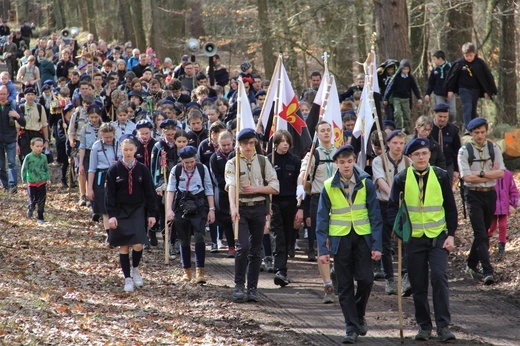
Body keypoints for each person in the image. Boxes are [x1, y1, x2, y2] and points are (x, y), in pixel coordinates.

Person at [387, 138, 457, 342]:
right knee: (418, 284)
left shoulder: (440, 176)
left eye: (424, 153)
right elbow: (392, 208)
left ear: (429, 155)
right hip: (413, 239)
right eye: (417, 154)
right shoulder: (401, 178)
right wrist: (399, 230)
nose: (421, 157)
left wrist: (451, 234)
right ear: (410, 157)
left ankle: (443, 326)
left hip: (438, 237)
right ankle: (424, 326)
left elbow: (450, 208)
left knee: (439, 277)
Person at [316, 145, 382, 344]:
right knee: (344, 285)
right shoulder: (328, 186)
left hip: (362, 237)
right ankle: (351, 327)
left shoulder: (366, 182)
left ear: (355, 161)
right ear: (336, 163)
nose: (346, 165)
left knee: (366, 279)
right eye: (342, 162)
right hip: (340, 239)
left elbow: (375, 215)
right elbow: (321, 219)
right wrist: (323, 249)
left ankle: (358, 313)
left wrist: (377, 245)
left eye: (349, 161)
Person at [225, 128, 279, 303]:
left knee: (256, 250)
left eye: (251, 143)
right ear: (238, 144)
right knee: (243, 246)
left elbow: (275, 187)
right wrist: (233, 207)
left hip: (258, 208)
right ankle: (239, 285)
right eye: (244, 143)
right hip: (241, 208)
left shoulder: (263, 162)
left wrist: (257, 189)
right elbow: (231, 185)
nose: (248, 147)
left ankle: (253, 288)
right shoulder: (233, 163)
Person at [106, 136, 157, 292]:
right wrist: (112, 215)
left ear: (136, 150)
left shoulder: (142, 169)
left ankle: (135, 268)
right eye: (125, 150)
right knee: (123, 245)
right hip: (120, 211)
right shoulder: (114, 170)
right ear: (121, 150)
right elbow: (110, 195)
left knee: (138, 243)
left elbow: (150, 192)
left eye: (131, 150)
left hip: (137, 209)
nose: (128, 153)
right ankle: (127, 277)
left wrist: (152, 213)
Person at [458, 117, 505, 285]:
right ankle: (487, 271)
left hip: (490, 194)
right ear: (471, 133)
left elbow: (501, 172)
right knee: (480, 232)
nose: (480, 135)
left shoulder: (493, 148)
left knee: (483, 231)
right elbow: (466, 177)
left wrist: (481, 175)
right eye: (476, 133)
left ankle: (471, 264)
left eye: (482, 132)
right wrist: (487, 174)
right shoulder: (464, 151)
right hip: (472, 195)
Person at [296, 120, 337, 303]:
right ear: (317, 134)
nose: (326, 133)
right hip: (318, 200)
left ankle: (337, 272)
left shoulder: (340, 154)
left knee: (339, 241)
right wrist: (300, 185)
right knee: (322, 244)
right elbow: (303, 175)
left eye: (329, 130)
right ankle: (327, 285)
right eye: (323, 131)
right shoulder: (313, 155)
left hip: (339, 201)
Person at [165, 146, 215, 284]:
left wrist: (211, 209)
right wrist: (169, 210)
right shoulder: (176, 170)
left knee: (199, 235)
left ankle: (200, 271)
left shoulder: (202, 169)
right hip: (182, 205)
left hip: (199, 204)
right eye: (186, 162)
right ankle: (186, 270)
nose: (189, 165)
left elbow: (209, 189)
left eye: (191, 161)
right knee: (184, 238)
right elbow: (170, 190)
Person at [371, 129, 412, 296]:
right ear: (387, 143)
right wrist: (392, 195)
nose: (398, 146)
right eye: (395, 143)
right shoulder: (379, 161)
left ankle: (405, 276)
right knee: (386, 243)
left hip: (404, 207)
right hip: (384, 204)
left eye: (401, 143)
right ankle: (389, 278)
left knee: (406, 241)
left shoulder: (409, 162)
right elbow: (380, 180)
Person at [267, 130, 301, 287]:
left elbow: (299, 184)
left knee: (287, 236)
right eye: (281, 141)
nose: (285, 144)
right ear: (275, 144)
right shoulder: (268, 160)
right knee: (277, 235)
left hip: (290, 203)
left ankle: (283, 269)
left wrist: (301, 207)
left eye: (287, 141)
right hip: (274, 202)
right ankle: (279, 270)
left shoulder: (295, 161)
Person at [445, 42, 497, 130]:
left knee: (473, 109)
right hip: (464, 89)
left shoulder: (479, 63)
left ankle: (474, 128)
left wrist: (487, 91)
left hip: (475, 90)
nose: (468, 58)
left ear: (475, 53)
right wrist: (450, 89)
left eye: (470, 55)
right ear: (463, 54)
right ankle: (467, 128)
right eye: (466, 56)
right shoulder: (459, 63)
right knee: (467, 106)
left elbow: (486, 77)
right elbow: (452, 77)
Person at [87, 122, 118, 240]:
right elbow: (92, 168)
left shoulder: (119, 144)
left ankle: (117, 232)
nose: (108, 139)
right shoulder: (96, 146)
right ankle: (109, 235)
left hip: (116, 175)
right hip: (102, 176)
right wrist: (90, 188)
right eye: (106, 137)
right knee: (105, 207)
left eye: (110, 137)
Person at [210, 131, 236, 258]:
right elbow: (215, 177)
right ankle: (231, 246)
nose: (226, 147)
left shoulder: (237, 155)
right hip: (222, 193)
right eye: (223, 145)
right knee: (226, 222)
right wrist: (227, 187)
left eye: (228, 144)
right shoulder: (214, 158)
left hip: (238, 193)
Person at [382, 59, 422, 133]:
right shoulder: (397, 77)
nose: (405, 71)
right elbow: (390, 88)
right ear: (400, 69)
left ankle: (406, 129)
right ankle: (398, 128)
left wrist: (419, 98)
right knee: (397, 113)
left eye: (407, 69)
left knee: (406, 114)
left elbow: (415, 88)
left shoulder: (410, 78)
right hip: (396, 98)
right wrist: (385, 98)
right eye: (404, 69)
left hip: (406, 99)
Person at [488, 169, 518, 258]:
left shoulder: (507, 174)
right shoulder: (490, 173)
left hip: (504, 206)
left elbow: (513, 190)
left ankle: (502, 248)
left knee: (503, 225)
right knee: (491, 227)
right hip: (492, 206)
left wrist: (513, 204)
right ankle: (484, 244)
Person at [0, 85, 24, 193]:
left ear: (8, 94)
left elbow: (23, 122)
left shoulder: (13, 105)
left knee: (12, 163)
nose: (2, 96)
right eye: (1, 94)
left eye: (4, 94)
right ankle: (5, 185)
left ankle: (13, 185)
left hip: (10, 138)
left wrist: (17, 116)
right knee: (0, 165)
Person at [21, 137, 51, 222]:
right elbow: (24, 169)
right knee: (33, 200)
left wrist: (48, 178)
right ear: (32, 147)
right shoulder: (28, 157)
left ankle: (40, 217)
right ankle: (31, 208)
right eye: (37, 146)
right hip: (31, 182)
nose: (39, 148)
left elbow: (46, 169)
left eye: (41, 146)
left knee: (41, 200)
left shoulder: (44, 157)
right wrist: (24, 181)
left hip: (41, 182)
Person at [430, 103, 461, 184]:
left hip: (448, 165)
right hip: (431, 165)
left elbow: (457, 151)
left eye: (445, 117)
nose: (443, 119)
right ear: (434, 114)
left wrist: (456, 170)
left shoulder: (453, 129)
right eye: (440, 116)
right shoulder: (428, 128)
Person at [17, 87, 49, 162]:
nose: (30, 97)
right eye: (28, 94)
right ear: (25, 96)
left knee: (38, 159)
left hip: (37, 134)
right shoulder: (21, 108)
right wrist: (16, 143)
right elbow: (17, 127)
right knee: (25, 158)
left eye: (32, 94)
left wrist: (46, 140)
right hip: (25, 135)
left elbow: (44, 125)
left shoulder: (40, 108)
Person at [424, 50, 455, 122]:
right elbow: (431, 83)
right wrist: (427, 94)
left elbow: (454, 80)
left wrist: (453, 90)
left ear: (440, 59)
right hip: (439, 94)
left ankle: (450, 125)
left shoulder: (450, 67)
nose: (434, 61)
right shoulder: (435, 70)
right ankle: (441, 125)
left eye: (434, 59)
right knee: (441, 111)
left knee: (452, 112)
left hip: (450, 94)